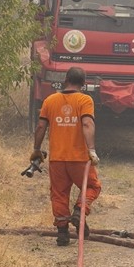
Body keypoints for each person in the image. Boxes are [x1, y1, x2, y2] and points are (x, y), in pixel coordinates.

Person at [30, 66, 101, 247]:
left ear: (65, 80)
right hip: (79, 159)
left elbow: (41, 127)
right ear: (83, 83)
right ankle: (79, 210)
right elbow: (87, 124)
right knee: (92, 186)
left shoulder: (50, 100)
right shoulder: (85, 100)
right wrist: (91, 150)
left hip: (57, 159)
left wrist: (36, 149)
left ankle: (62, 233)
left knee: (59, 194)